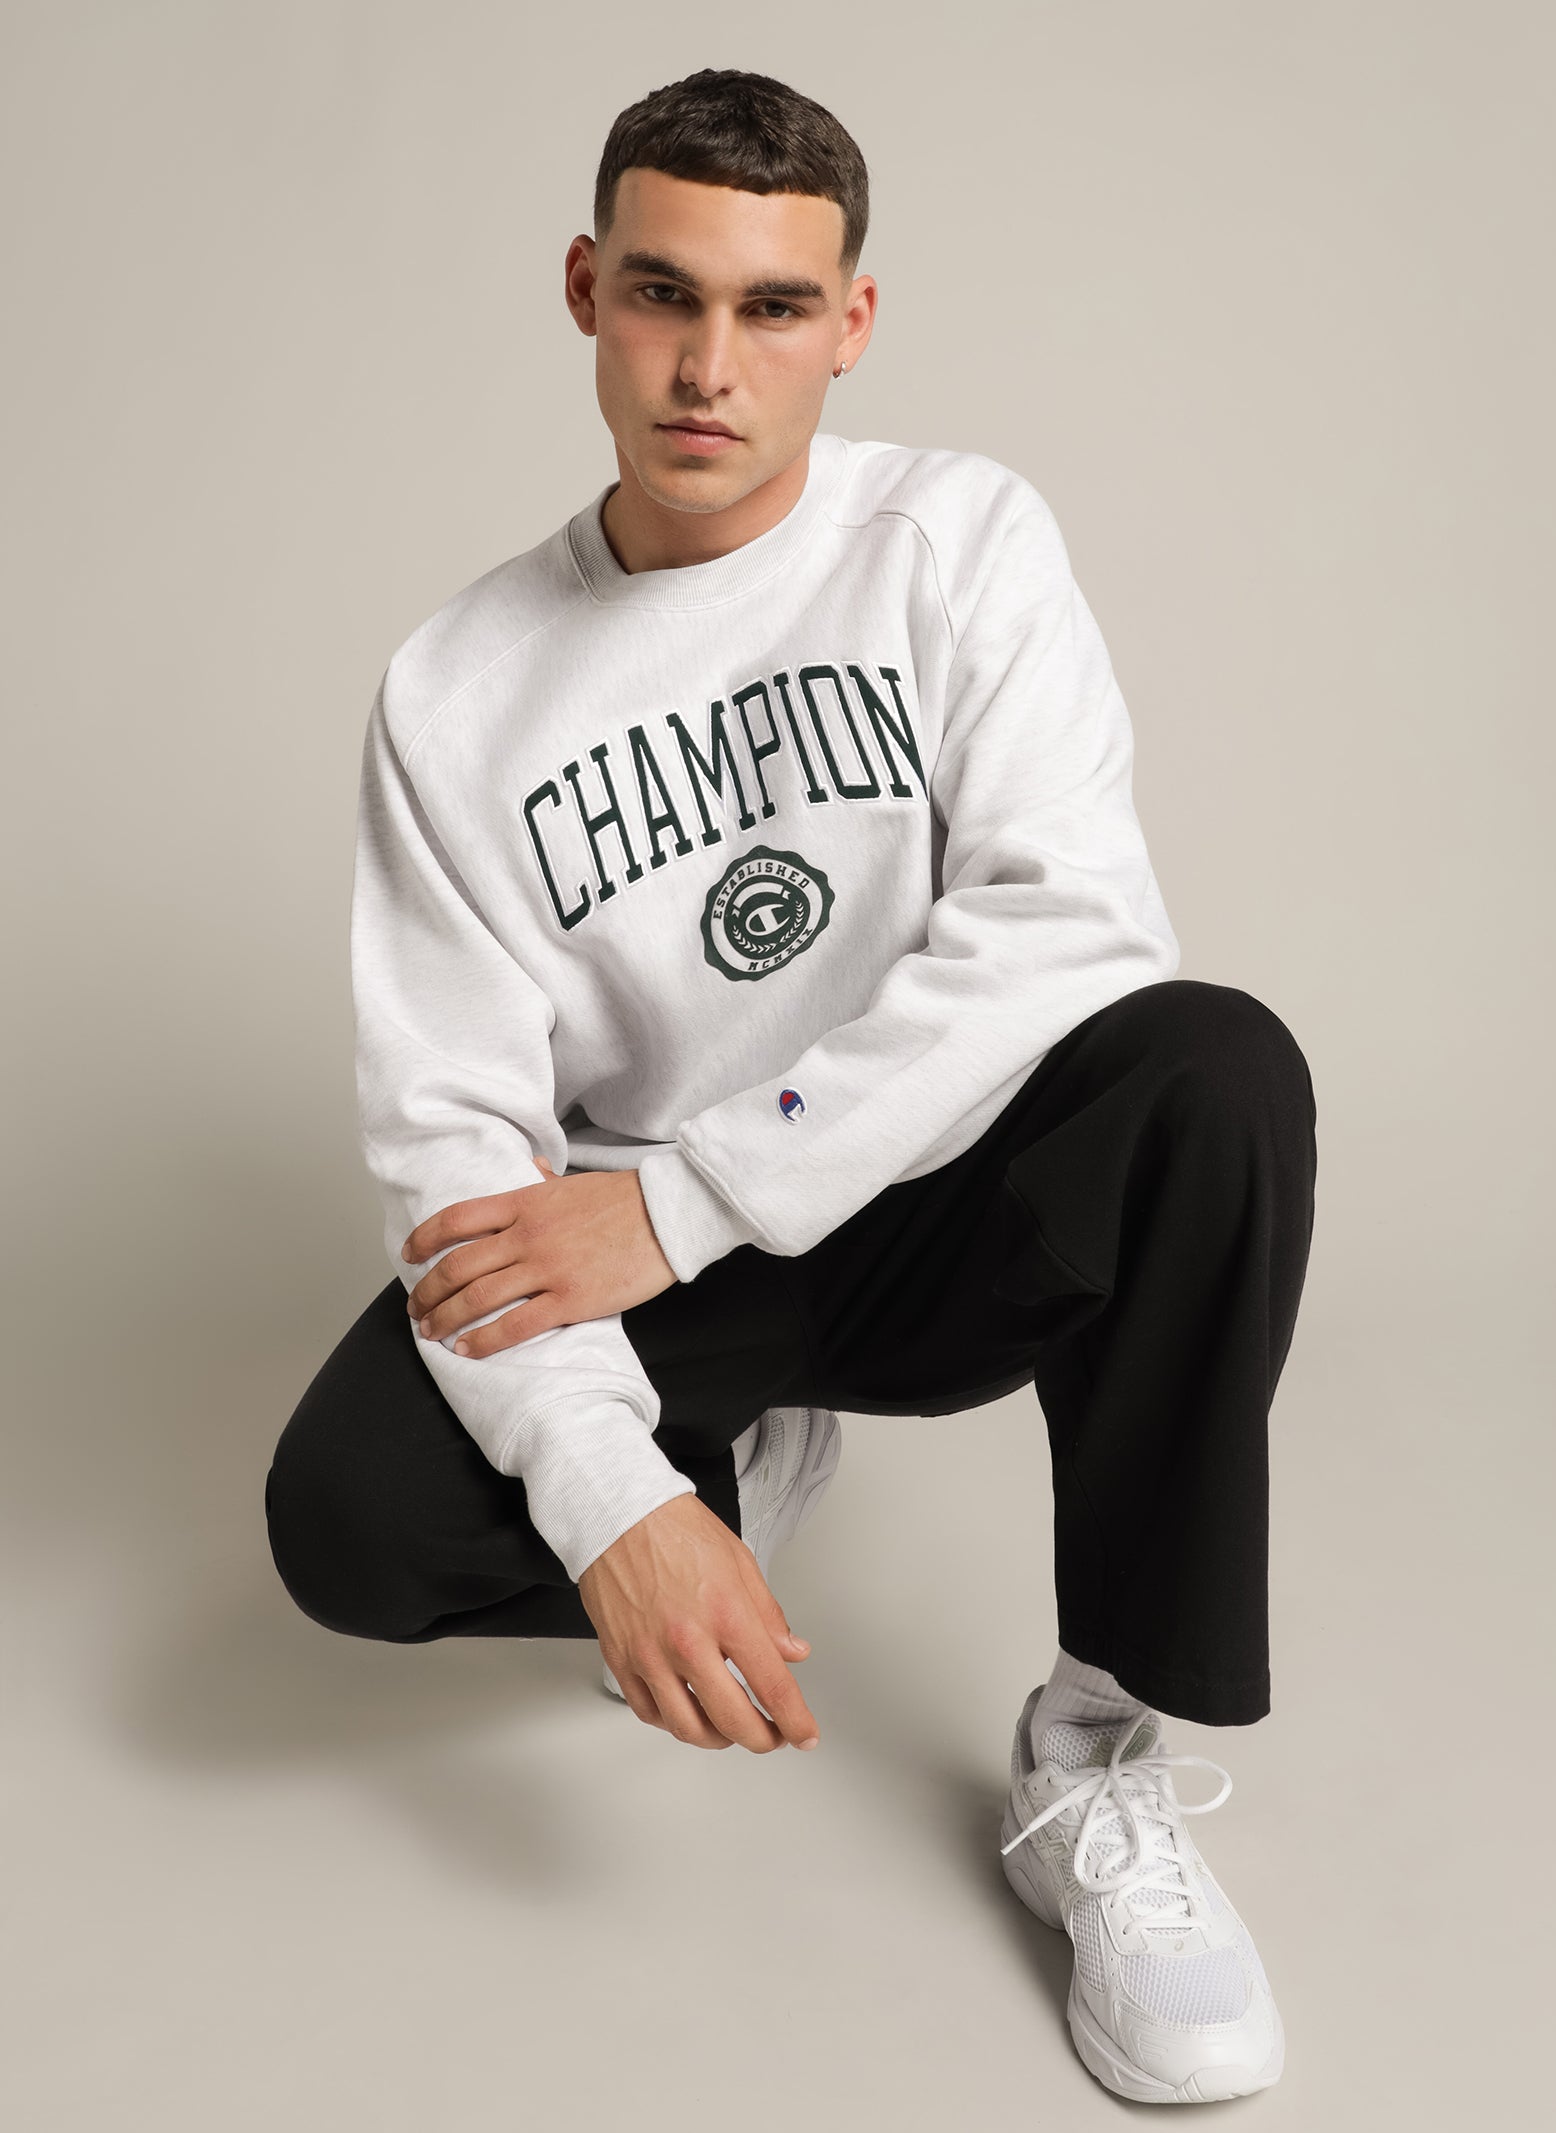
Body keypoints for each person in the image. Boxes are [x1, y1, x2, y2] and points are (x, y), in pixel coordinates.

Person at [264, 67, 1317, 2106]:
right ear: (586, 290)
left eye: (770, 308)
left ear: (851, 321)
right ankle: (737, 1462)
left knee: (1214, 1071)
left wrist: (686, 1203)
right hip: (657, 1260)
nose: (706, 367)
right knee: (347, 1521)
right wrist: (620, 1505)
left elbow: (1078, 927)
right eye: (664, 294)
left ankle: (1098, 1751)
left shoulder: (956, 538)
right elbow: (454, 1146)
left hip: (924, 1209)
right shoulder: (456, 688)